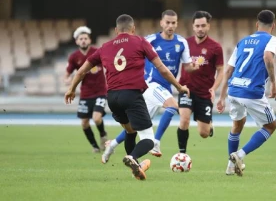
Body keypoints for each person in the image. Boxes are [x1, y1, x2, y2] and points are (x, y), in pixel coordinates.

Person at [65, 14, 190, 180]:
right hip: (132, 95)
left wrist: (72, 89)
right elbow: (163, 69)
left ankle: (135, 167)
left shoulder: (104, 47)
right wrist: (179, 87)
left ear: (116, 30)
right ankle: (132, 157)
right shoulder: (140, 42)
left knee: (130, 131)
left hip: (112, 98)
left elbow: (81, 71)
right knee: (149, 140)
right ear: (133, 29)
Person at [101, 10, 198, 163]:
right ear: (161, 23)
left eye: (173, 23)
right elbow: (132, 51)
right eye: (167, 22)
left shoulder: (182, 42)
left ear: (177, 23)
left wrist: (195, 66)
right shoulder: (150, 40)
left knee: (134, 127)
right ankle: (156, 143)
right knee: (173, 106)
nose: (170, 25)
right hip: (151, 85)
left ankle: (111, 145)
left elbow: (187, 67)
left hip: (165, 88)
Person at [217, 9, 276, 176]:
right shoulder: (272, 39)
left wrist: (221, 97)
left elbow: (229, 70)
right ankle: (239, 155)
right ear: (273, 26)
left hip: (234, 90)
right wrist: (273, 83)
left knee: (237, 125)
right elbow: (267, 56)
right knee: (270, 126)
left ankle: (230, 167)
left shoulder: (243, 41)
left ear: (257, 24)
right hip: (252, 92)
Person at [177, 11, 224, 154]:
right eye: (197, 26)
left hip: (204, 93)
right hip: (186, 89)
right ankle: (182, 155)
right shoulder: (184, 44)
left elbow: (221, 70)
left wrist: (213, 88)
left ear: (208, 26)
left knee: (203, 133)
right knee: (184, 120)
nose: (200, 29)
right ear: (193, 26)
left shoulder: (215, 47)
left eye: (203, 25)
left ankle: (209, 126)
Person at [64, 26, 108, 153]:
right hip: (85, 93)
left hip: (100, 91)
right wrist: (67, 80)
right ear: (77, 41)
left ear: (89, 40)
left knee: (97, 118)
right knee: (84, 123)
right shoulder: (74, 57)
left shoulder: (97, 52)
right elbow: (67, 74)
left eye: (85, 38)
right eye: (81, 39)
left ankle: (103, 135)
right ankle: (95, 146)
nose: (83, 40)